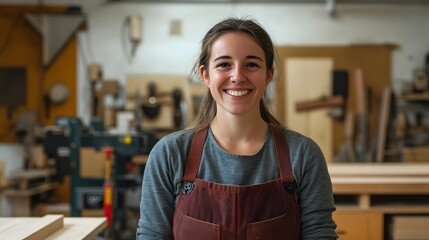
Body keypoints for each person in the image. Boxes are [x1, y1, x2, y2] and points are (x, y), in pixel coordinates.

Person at [136, 17, 337, 240]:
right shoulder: (170, 154)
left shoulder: (302, 154)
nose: (238, 77)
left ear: (268, 74)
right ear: (205, 75)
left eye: (251, 64)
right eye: (224, 64)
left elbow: (320, 235)